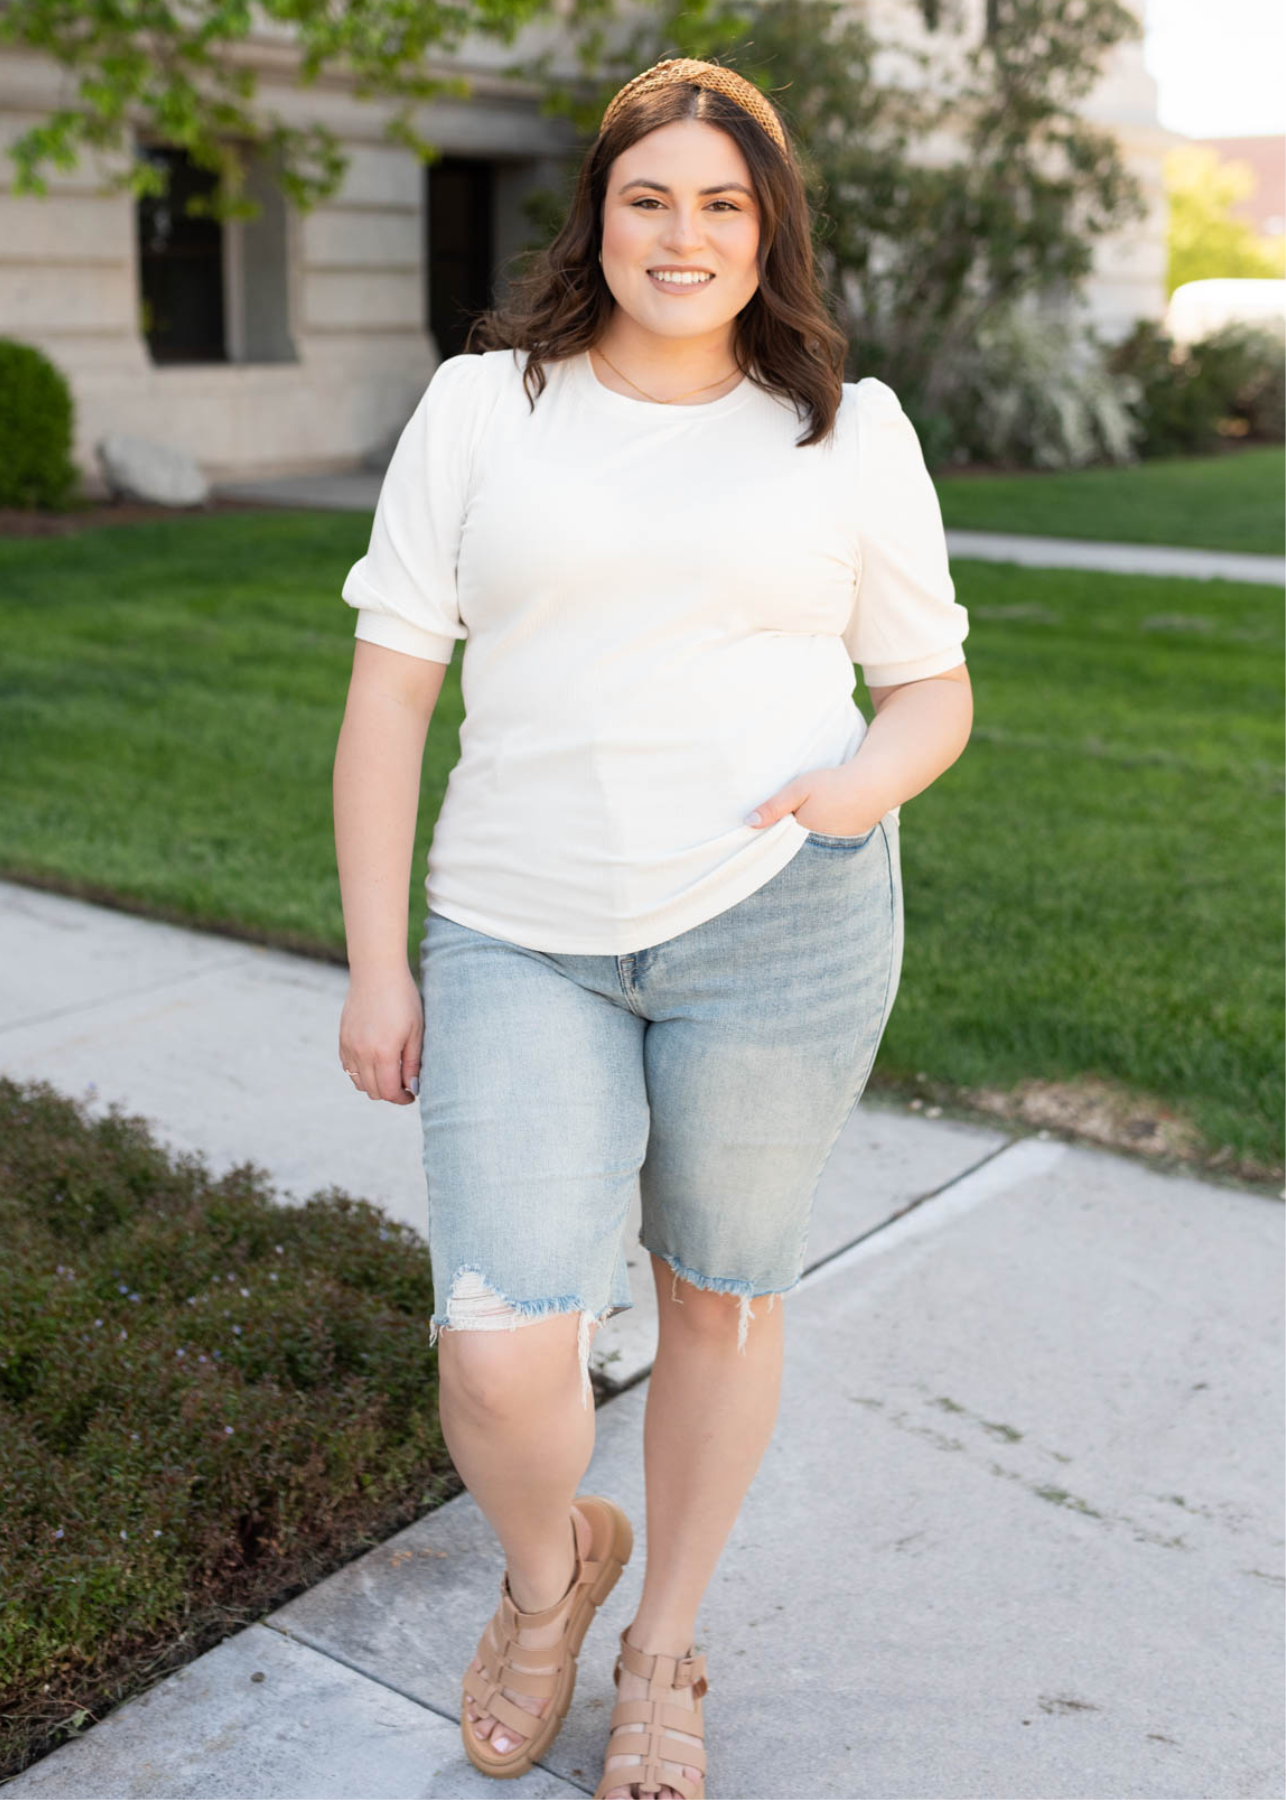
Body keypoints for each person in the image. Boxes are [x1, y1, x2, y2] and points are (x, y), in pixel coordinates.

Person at [332, 55, 973, 1800]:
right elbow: (390, 698)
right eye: (647, 198)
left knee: (718, 1301)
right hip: (517, 934)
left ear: (766, 232)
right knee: (501, 1341)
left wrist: (854, 788)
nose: (681, 235)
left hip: (783, 927)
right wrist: (380, 960)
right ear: (597, 215)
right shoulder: (483, 408)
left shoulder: (849, 428)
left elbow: (931, 692)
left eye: (720, 203)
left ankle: (665, 1642)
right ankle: (551, 1579)